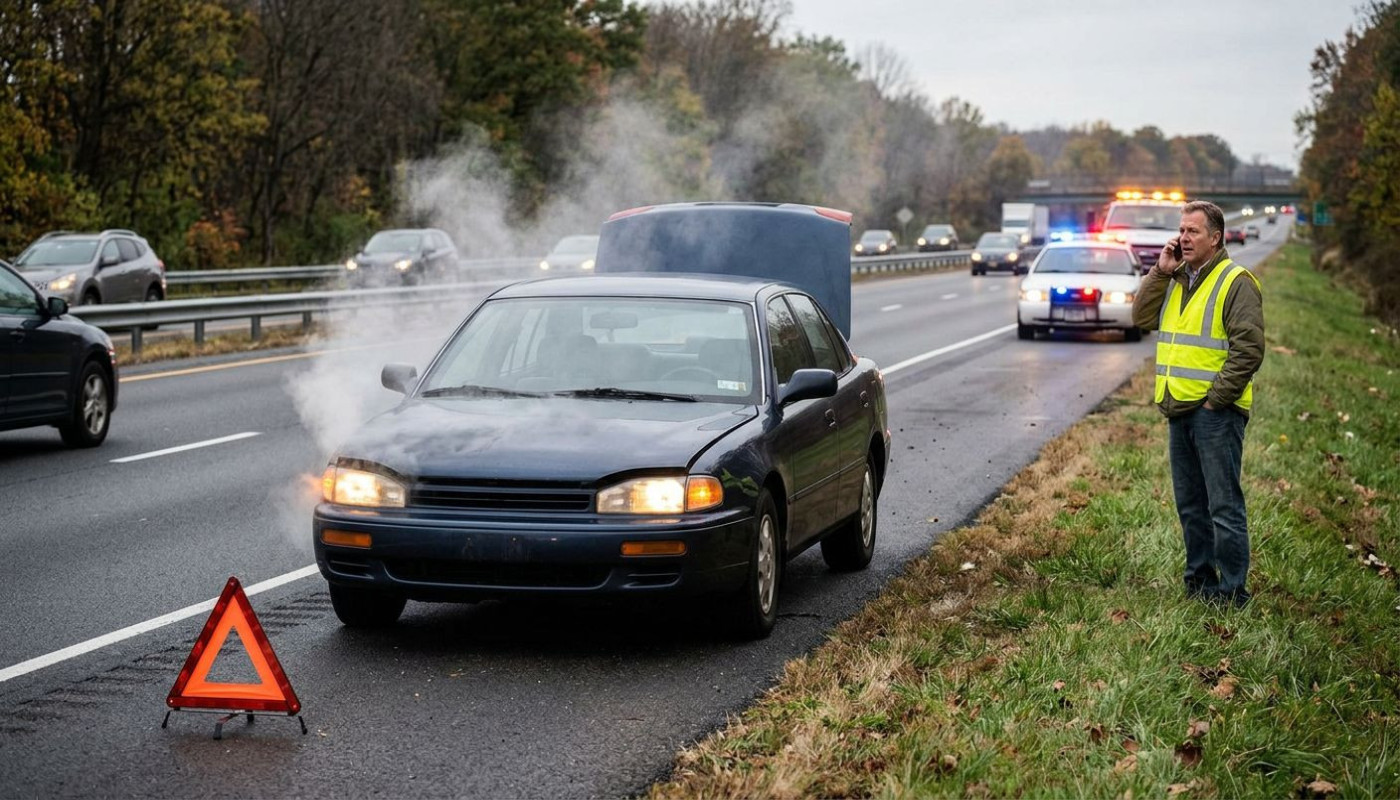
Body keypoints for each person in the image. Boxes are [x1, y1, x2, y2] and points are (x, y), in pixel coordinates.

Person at [1132, 200, 1264, 607]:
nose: (1184, 238)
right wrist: (1159, 271)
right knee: (1191, 505)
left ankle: (1233, 591)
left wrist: (1215, 400)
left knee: (1223, 505)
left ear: (1216, 238)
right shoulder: (1174, 279)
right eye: (1182, 230)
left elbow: (1249, 350)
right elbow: (1140, 318)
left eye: (1193, 232)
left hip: (1215, 413)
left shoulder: (1235, 281)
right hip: (1178, 407)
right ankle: (1199, 582)